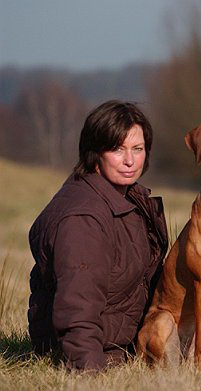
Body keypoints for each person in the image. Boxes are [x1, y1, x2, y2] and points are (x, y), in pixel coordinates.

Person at [27, 100, 168, 370]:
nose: (130, 160)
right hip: (94, 351)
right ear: (94, 153)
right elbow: (77, 305)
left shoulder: (132, 198)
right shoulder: (83, 219)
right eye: (117, 149)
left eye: (137, 149)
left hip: (127, 343)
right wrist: (88, 371)